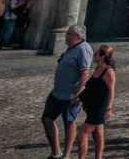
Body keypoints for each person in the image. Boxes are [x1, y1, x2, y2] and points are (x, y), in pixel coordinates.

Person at [43, 25, 92, 159]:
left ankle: (65, 155)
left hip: (70, 96)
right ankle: (56, 153)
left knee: (69, 122)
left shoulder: (83, 48)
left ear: (77, 36)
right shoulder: (72, 48)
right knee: (47, 119)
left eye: (69, 34)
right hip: (57, 93)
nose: (66, 36)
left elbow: (85, 73)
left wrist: (77, 93)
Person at [73, 44, 116, 159]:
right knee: (98, 135)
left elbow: (111, 91)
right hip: (92, 106)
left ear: (103, 56)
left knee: (81, 136)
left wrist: (109, 108)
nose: (93, 56)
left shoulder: (109, 72)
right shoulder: (98, 68)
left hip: (99, 109)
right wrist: (79, 98)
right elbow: (90, 87)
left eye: (96, 54)